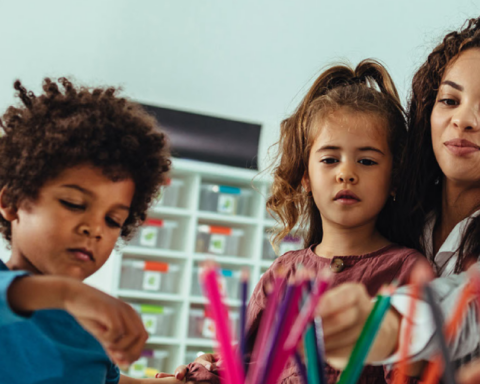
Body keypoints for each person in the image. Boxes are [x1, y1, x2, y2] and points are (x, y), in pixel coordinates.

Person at [176, 60, 423, 384]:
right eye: (330, 159)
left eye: (366, 160)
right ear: (306, 176)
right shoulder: (282, 273)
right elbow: (240, 368)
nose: (345, 173)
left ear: (394, 178)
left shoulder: (406, 271)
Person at [0, 78, 181, 384]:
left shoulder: (88, 332)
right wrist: (67, 294)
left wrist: (198, 377)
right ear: (12, 202)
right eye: (73, 203)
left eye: (113, 220)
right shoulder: (20, 295)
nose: (94, 228)